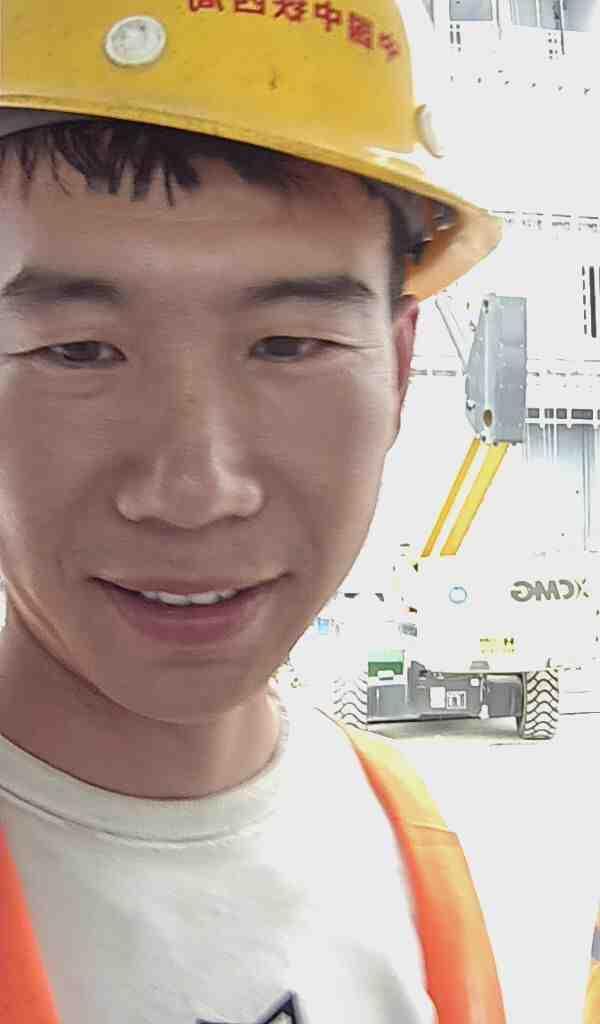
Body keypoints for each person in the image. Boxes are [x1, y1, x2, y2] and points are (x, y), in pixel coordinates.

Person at [0, 1, 506, 1022]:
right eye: (79, 351)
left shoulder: (410, 851)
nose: (195, 492)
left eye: (287, 346)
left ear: (399, 370)